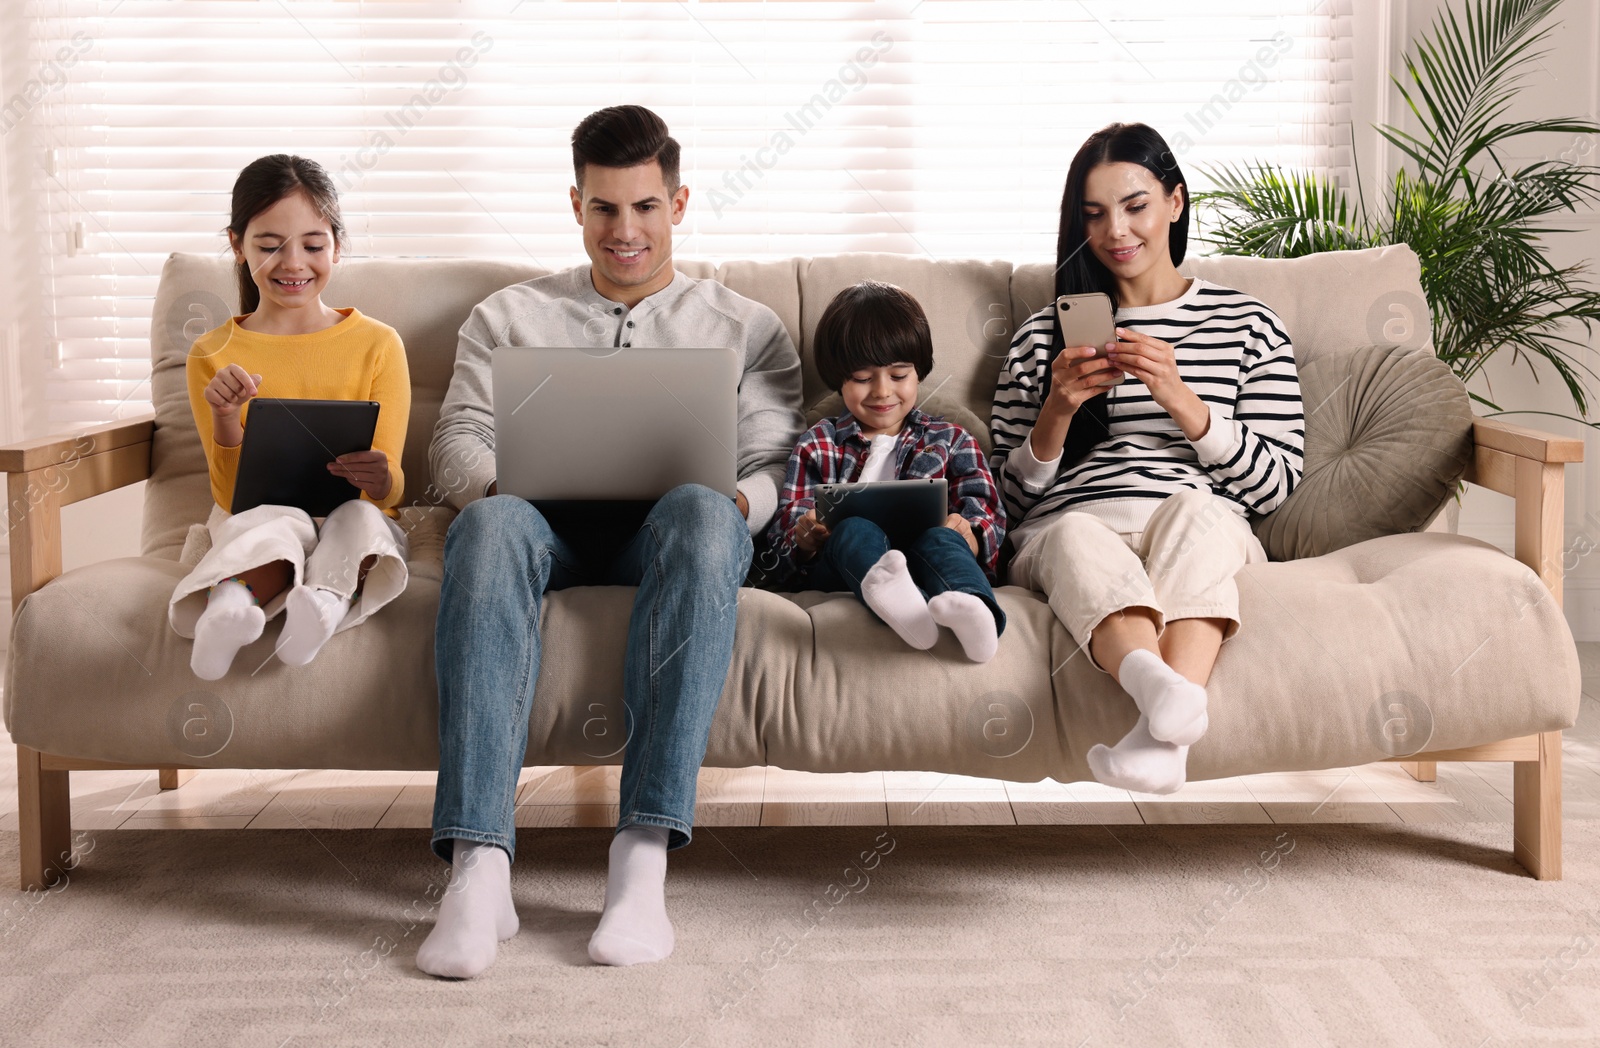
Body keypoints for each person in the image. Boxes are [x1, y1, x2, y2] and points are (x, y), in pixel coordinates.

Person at [418, 105, 804, 978]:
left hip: (668, 535)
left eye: (644, 208)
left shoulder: (746, 326)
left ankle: (642, 858)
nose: (623, 231)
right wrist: (502, 483)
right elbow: (457, 441)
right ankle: (479, 867)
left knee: (709, 517)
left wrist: (733, 497)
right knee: (486, 522)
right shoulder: (507, 315)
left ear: (679, 203)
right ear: (575, 204)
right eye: (603, 209)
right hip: (540, 527)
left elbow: (774, 458)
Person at [990, 122, 1304, 794]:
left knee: (1201, 512)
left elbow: (1275, 486)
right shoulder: (1045, 334)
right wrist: (1058, 412)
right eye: (1095, 215)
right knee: (1072, 531)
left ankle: (1161, 725)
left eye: (1135, 206)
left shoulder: (1249, 323)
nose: (1116, 232)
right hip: (1072, 522)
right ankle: (1164, 710)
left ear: (1175, 202)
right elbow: (1004, 505)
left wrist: (1182, 399)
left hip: (1197, 518)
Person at [170, 154, 411, 681]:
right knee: (275, 523)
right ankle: (229, 609)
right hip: (258, 515)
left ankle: (321, 607)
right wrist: (227, 417)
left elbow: (388, 493)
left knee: (358, 519)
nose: (293, 263)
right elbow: (231, 498)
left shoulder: (378, 345)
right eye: (269, 246)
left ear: (337, 247)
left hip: (351, 514)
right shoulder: (212, 353)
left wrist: (380, 476)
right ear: (236, 246)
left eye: (313, 245)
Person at [763, 281, 1006, 663]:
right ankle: (905, 608)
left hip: (928, 554)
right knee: (855, 528)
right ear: (837, 377)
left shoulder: (952, 439)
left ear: (919, 372)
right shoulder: (818, 443)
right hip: (843, 569)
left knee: (943, 539)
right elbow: (787, 525)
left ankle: (976, 615)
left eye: (898, 375)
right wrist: (805, 536)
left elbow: (986, 508)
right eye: (862, 378)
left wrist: (971, 532)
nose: (881, 391)